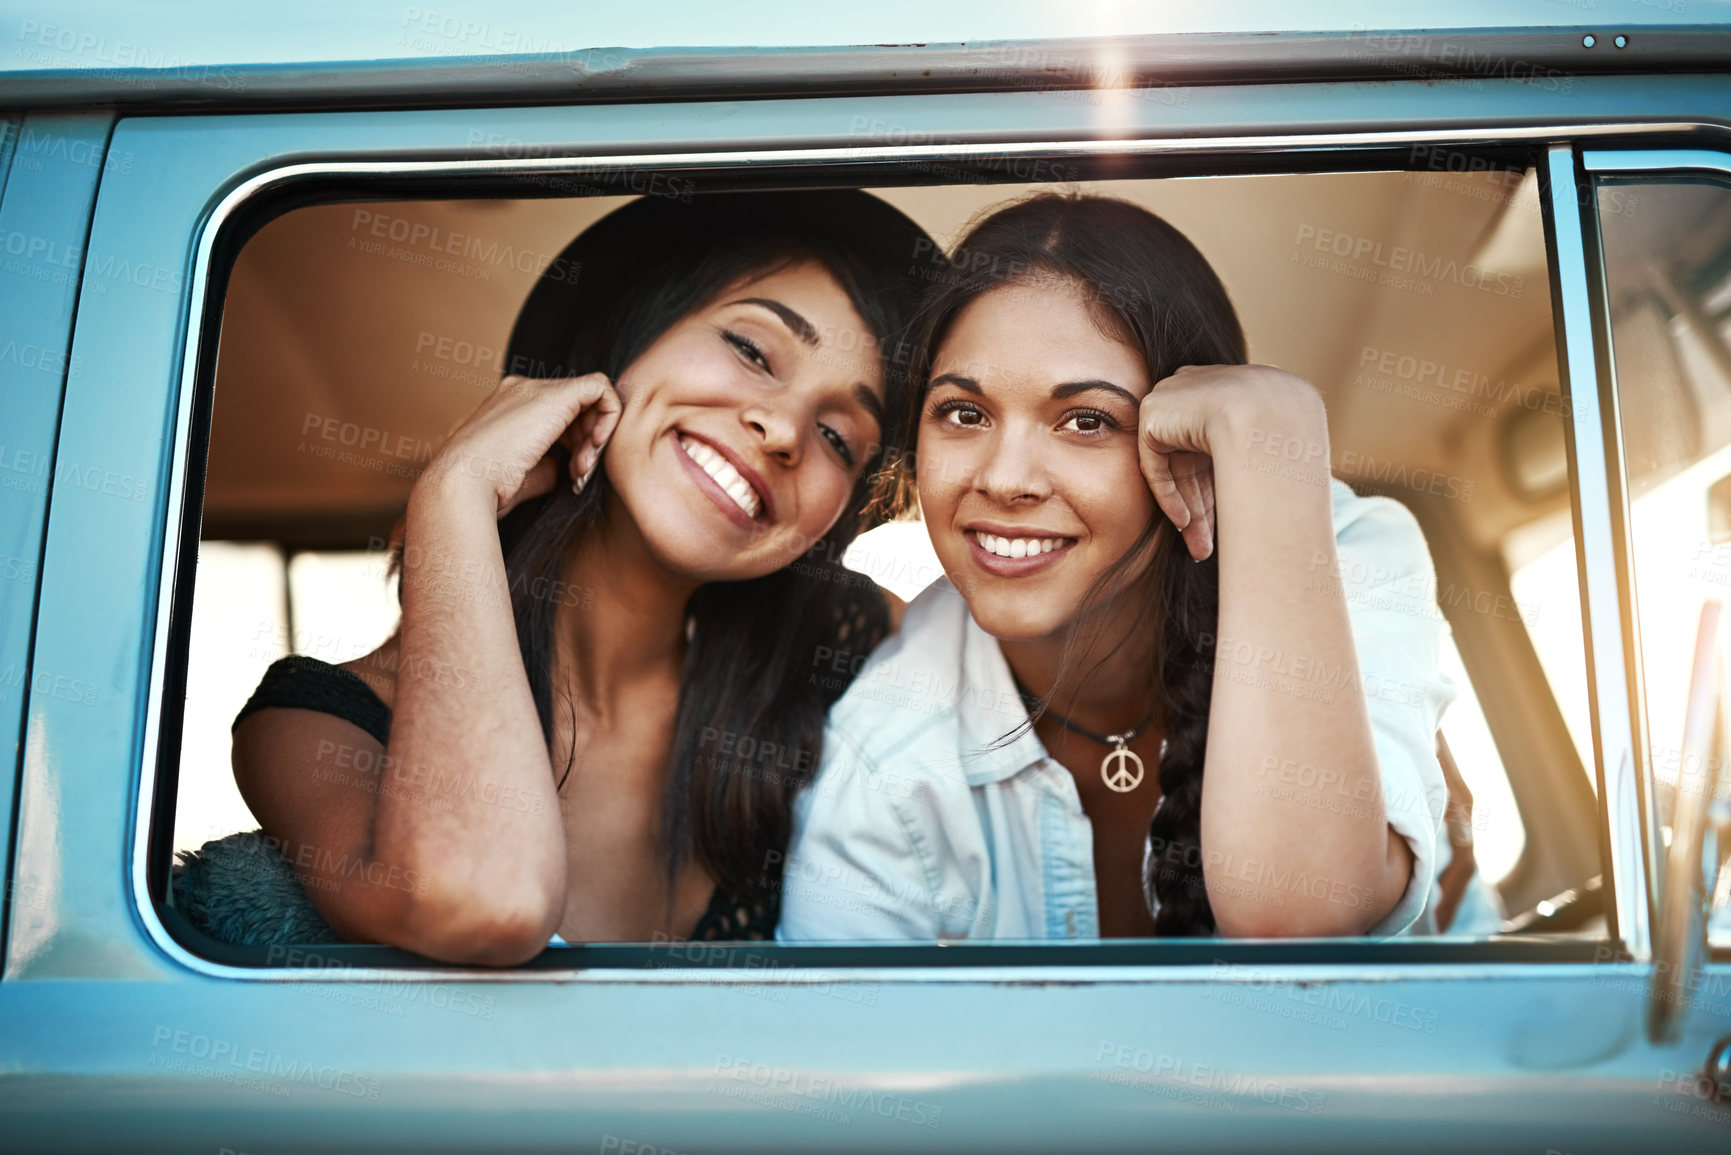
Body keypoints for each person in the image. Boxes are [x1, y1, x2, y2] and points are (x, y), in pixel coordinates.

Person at [227, 191, 934, 965]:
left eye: (838, 435)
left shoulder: (862, 651)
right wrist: (455, 491)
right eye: (751, 350)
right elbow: (483, 902)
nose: (784, 430)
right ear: (625, 335)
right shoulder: (318, 727)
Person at [777, 192, 1458, 940]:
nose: (1005, 480)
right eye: (963, 413)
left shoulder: (1344, 552)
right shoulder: (886, 747)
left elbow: (1298, 914)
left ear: (1187, 454)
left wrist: (1271, 430)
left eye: (1086, 421)